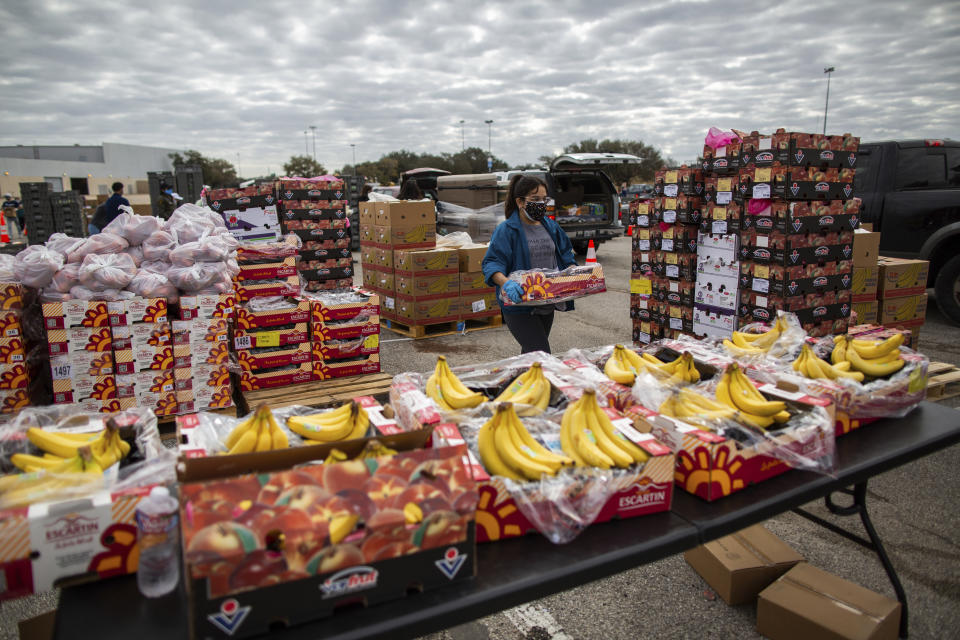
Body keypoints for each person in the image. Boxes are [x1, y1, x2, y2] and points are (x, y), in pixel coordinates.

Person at [482, 175, 577, 354]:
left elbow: (566, 254)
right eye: (535, 199)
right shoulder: (507, 230)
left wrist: (573, 271)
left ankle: (522, 381)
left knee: (531, 355)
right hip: (519, 305)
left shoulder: (551, 226)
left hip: (547, 302)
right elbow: (492, 263)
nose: (541, 204)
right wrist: (506, 283)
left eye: (544, 199)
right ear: (520, 202)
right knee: (541, 353)